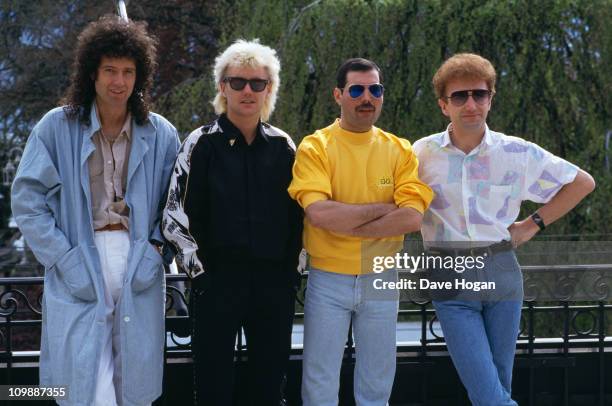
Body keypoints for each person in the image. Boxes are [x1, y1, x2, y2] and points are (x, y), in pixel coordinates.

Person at [11, 16, 179, 406]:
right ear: (92, 73)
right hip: (80, 253)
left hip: (139, 258)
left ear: (140, 76)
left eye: (128, 72)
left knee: (134, 378)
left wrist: (158, 251)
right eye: (109, 71)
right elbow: (28, 202)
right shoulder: (56, 127)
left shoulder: (162, 133)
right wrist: (63, 258)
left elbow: (177, 208)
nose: (119, 81)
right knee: (84, 378)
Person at [413, 53, 596, 405]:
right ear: (443, 105)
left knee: (498, 388)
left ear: (490, 99)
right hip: (449, 276)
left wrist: (532, 224)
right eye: (459, 96)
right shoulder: (421, 153)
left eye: (479, 94)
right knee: (488, 394)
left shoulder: (516, 153)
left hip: (501, 271)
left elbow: (582, 183)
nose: (470, 103)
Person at [162, 39, 302, 405]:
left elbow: (302, 216)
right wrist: (201, 276)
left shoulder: (285, 146)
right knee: (213, 387)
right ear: (222, 87)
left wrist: (291, 273)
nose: (247, 91)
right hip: (216, 284)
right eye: (238, 81)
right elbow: (175, 216)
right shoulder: (199, 143)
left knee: (269, 386)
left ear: (269, 89)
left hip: (273, 285)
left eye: (258, 83)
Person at [288, 58, 434, 406]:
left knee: (377, 382)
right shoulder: (316, 146)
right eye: (356, 89)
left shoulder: (399, 149)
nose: (366, 97)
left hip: (382, 275)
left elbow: (412, 219)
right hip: (328, 278)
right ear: (338, 95)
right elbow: (319, 214)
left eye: (375, 89)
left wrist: (345, 220)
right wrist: (382, 210)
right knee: (319, 382)